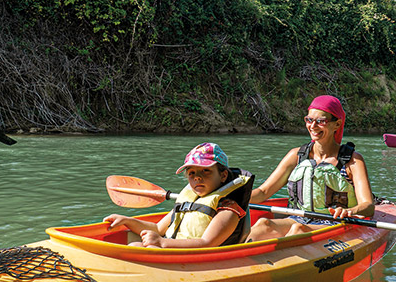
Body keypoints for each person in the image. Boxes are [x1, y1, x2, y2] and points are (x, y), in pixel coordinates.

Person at [247, 95, 374, 241]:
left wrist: (350, 211)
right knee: (264, 224)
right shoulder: (296, 155)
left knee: (298, 230)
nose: (313, 126)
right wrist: (232, 199)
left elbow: (368, 205)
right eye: (309, 120)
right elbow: (263, 192)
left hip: (334, 223)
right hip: (299, 218)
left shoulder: (352, 160)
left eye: (321, 121)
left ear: (337, 124)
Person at [103, 143, 253, 248]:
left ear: (223, 175)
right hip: (172, 248)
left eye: (206, 171)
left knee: (139, 246)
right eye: (192, 173)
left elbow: (207, 243)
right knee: (133, 243)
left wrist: (162, 243)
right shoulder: (187, 202)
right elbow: (157, 228)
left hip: (194, 259)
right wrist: (127, 221)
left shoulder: (228, 210)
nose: (197, 177)